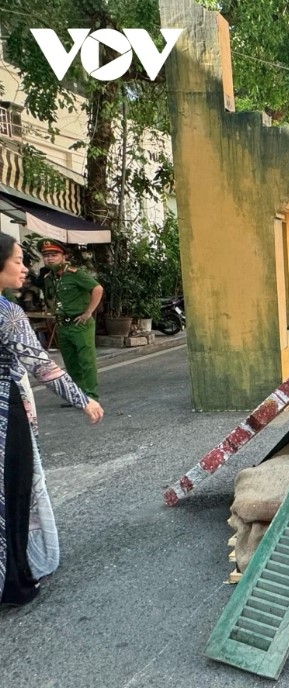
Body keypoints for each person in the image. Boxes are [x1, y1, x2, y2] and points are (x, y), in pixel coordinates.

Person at [0, 234, 104, 607]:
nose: (26, 267)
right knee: (12, 494)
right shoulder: (8, 313)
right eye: (17, 260)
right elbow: (42, 367)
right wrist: (84, 401)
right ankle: (13, 581)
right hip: (5, 416)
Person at [34, 239, 103, 401]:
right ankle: (77, 395)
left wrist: (88, 312)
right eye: (46, 256)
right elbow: (52, 298)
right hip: (62, 324)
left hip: (80, 324)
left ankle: (90, 395)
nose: (49, 258)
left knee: (86, 361)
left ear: (63, 256)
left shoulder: (75, 274)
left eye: (54, 255)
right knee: (70, 361)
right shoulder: (48, 278)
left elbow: (97, 288)